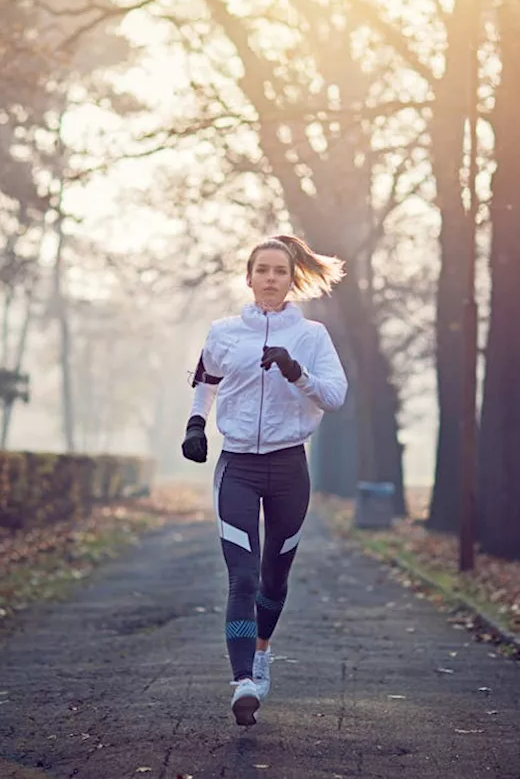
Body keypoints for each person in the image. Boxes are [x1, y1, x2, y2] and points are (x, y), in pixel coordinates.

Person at [181, 234, 349, 727]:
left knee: (274, 579)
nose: (271, 279)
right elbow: (205, 380)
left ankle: (260, 653)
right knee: (244, 575)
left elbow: (335, 396)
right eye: (262, 270)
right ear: (249, 277)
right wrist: (195, 424)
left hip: (289, 469)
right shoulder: (224, 332)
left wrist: (296, 372)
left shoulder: (312, 336)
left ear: (292, 278)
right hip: (238, 467)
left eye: (280, 271)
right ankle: (242, 683)